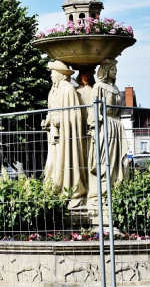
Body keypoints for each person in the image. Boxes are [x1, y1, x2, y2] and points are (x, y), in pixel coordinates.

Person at [41, 60, 87, 208]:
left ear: (61, 75)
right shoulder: (53, 90)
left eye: (53, 73)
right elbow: (52, 109)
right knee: (53, 163)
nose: (51, 76)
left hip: (66, 135)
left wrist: (61, 119)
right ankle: (55, 189)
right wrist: (48, 120)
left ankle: (69, 189)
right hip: (55, 134)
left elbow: (75, 115)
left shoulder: (68, 90)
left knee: (65, 160)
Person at [86, 58, 129, 207]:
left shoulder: (116, 88)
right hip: (106, 126)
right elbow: (94, 109)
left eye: (116, 69)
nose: (115, 71)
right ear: (105, 70)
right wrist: (95, 126)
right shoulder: (98, 86)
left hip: (117, 125)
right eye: (112, 68)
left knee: (121, 161)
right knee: (107, 162)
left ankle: (116, 192)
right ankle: (102, 195)